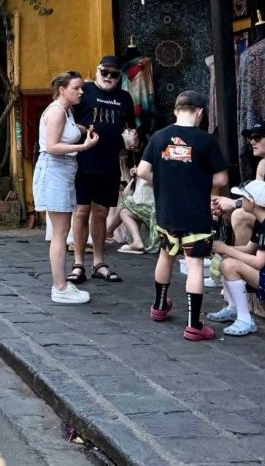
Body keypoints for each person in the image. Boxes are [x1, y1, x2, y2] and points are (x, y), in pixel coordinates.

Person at [135, 91, 229, 341]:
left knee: (166, 255)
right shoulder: (205, 140)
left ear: (176, 111)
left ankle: (158, 306)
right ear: (199, 112)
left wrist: (166, 181)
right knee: (195, 263)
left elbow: (143, 171)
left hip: (167, 210)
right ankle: (193, 325)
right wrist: (196, 180)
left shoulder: (159, 137)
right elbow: (221, 178)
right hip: (195, 213)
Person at [70, 55, 137, 286]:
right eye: (104, 72)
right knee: (81, 211)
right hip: (83, 160)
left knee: (101, 213)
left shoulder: (125, 98)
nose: (108, 77)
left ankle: (99, 263)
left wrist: (132, 141)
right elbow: (67, 121)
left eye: (114, 74)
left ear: (120, 77)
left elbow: (131, 131)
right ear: (97, 71)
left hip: (109, 163)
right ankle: (78, 263)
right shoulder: (84, 92)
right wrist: (82, 130)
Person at [35, 72, 99, 305]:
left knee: (62, 231)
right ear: (62, 89)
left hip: (62, 171)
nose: (81, 92)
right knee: (60, 233)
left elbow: (67, 130)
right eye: (76, 88)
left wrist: (83, 130)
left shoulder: (65, 111)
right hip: (54, 171)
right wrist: (84, 146)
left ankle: (60, 283)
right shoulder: (56, 112)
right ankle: (59, 287)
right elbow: (51, 146)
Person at [206, 180, 265, 336]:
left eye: (244, 199)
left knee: (230, 265)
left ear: (252, 203)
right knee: (224, 259)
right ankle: (233, 308)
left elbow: (259, 262)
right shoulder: (262, 221)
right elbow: (249, 249)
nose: (241, 202)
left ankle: (245, 319)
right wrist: (222, 249)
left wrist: (227, 249)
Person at [225, 120, 265, 247]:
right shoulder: (263, 164)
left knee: (239, 215)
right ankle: (247, 255)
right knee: (227, 212)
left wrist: (234, 203)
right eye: (250, 138)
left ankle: (250, 259)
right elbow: (256, 199)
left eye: (257, 138)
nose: (252, 142)